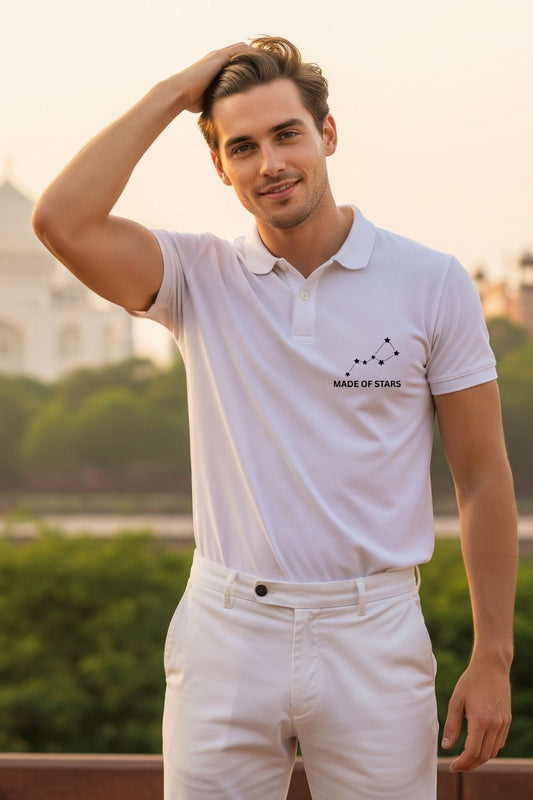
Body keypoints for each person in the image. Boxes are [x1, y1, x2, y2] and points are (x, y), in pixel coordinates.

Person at [32, 36, 517, 800]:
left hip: (376, 630)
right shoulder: (196, 277)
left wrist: (493, 655)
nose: (270, 164)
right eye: (242, 147)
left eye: (287, 134)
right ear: (221, 167)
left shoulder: (430, 281)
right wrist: (172, 91)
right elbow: (60, 220)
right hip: (226, 632)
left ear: (326, 135)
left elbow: (483, 477)